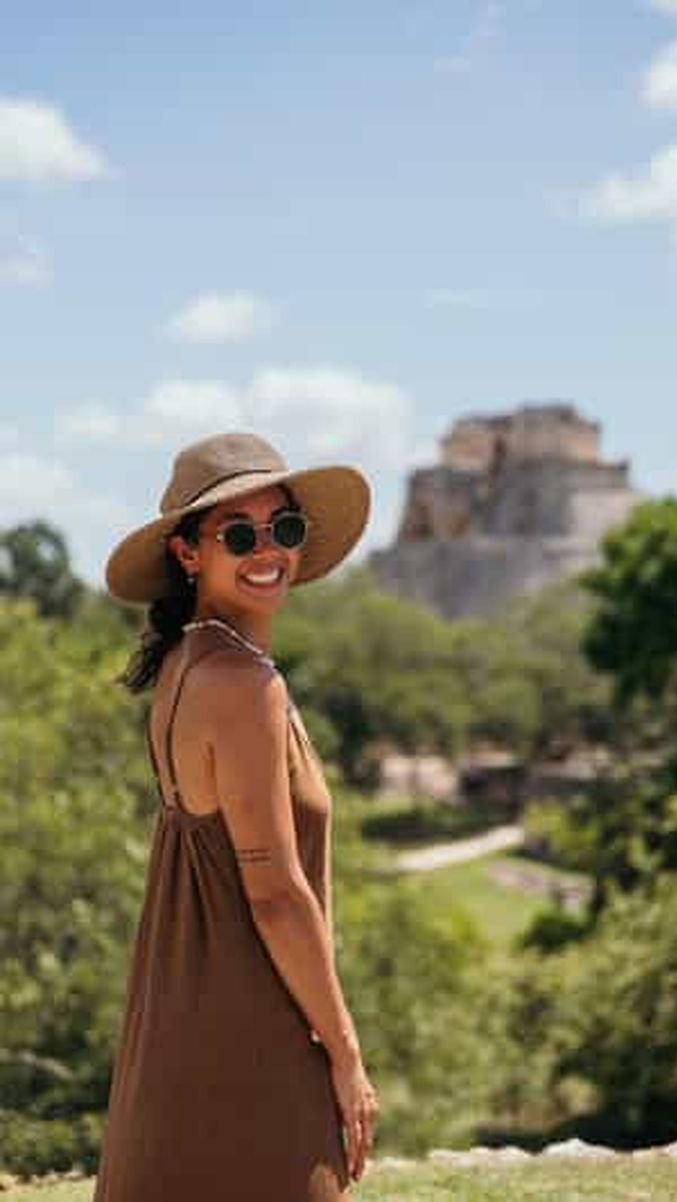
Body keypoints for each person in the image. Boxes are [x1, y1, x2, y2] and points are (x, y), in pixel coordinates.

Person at [93, 430, 380, 1202]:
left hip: (183, 1022)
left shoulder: (188, 665)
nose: (268, 551)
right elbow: (276, 893)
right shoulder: (244, 688)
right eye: (239, 534)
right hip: (250, 1029)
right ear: (189, 554)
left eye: (283, 528)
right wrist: (345, 1052)